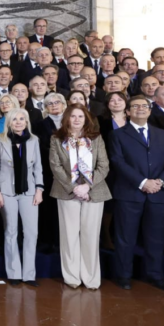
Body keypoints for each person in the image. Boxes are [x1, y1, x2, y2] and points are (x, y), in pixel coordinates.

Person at [110, 95, 164, 292]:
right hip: (130, 193)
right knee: (125, 238)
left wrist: (160, 182)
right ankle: (123, 276)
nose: (140, 108)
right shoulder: (117, 135)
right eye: (135, 106)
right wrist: (142, 182)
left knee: (156, 238)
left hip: (159, 194)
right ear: (128, 111)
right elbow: (118, 161)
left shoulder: (163, 134)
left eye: (144, 106)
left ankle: (155, 275)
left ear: (150, 110)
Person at [49, 104, 110, 290]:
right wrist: (74, 187)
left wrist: (87, 186)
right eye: (73, 116)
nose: (76, 120)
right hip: (67, 192)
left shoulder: (96, 138)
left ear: (86, 119)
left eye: (80, 117)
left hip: (94, 192)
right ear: (67, 118)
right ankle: (72, 277)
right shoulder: (57, 139)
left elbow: (104, 165)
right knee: (69, 236)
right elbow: (55, 165)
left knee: (91, 236)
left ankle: (91, 278)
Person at [0, 107, 44, 286]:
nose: (19, 122)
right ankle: (14, 272)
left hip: (30, 192)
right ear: (9, 122)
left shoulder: (34, 140)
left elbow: (38, 167)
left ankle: (29, 274)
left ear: (27, 122)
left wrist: (39, 189)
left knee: (31, 233)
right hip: (7, 191)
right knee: (11, 231)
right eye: (15, 119)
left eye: (22, 119)